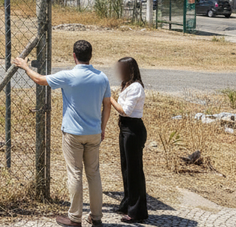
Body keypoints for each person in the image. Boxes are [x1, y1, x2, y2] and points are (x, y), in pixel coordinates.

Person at [14, 40, 111, 227]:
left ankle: (75, 217)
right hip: (94, 132)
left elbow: (40, 80)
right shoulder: (102, 78)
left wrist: (25, 66)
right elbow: (107, 105)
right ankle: (96, 217)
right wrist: (103, 128)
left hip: (73, 133)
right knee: (94, 174)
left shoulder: (69, 76)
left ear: (74, 56)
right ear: (91, 56)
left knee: (75, 173)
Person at [108, 57, 148, 223]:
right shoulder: (127, 85)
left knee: (134, 171)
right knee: (126, 168)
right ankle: (128, 203)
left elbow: (125, 110)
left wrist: (109, 99)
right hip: (125, 128)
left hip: (133, 129)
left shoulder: (136, 87)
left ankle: (137, 211)